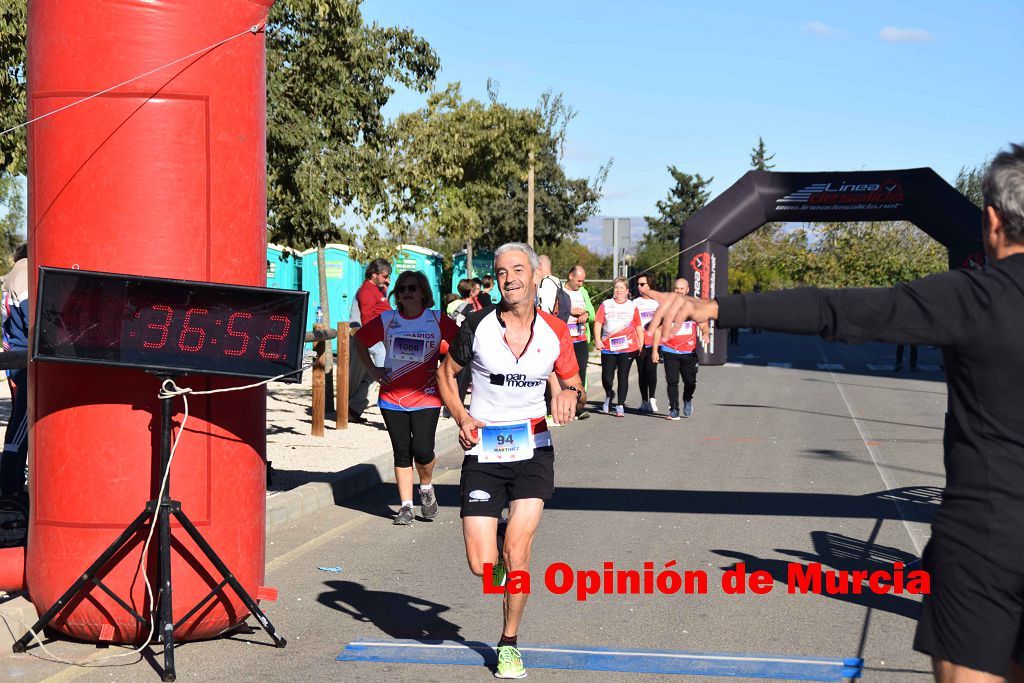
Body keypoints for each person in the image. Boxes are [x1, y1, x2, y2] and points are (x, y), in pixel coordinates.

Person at [673, 143, 1024, 683]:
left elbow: (837, 310)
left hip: (985, 542)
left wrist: (717, 306)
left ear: (992, 221)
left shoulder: (972, 297)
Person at [437, 242, 584, 680]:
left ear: (536, 275)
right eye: (502, 273)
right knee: (484, 568)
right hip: (483, 451)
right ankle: (499, 544)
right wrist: (461, 416)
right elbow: (446, 374)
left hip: (533, 449)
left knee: (517, 551)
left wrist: (567, 395)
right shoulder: (477, 326)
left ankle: (509, 643)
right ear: (495, 279)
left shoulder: (556, 331)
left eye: (518, 270)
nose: (510, 279)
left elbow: (575, 383)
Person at [353, 270, 458, 525]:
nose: (406, 293)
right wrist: (373, 370)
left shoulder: (436, 319)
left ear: (423, 292)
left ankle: (426, 487)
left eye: (412, 288)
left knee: (422, 450)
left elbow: (463, 345)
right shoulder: (388, 319)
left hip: (427, 396)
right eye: (401, 289)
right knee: (401, 453)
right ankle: (406, 506)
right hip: (392, 397)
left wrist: (446, 369)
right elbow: (359, 341)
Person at [651, 278, 704, 420]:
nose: (679, 291)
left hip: (689, 353)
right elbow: (658, 330)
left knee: (690, 382)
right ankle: (674, 410)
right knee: (672, 381)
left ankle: (687, 399)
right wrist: (655, 350)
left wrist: (705, 333)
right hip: (670, 351)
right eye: (676, 288)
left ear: (687, 290)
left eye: (682, 288)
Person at [348, 259, 392, 420]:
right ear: (374, 274)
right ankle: (390, 392)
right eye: (385, 276)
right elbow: (366, 318)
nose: (387, 280)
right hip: (370, 336)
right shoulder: (367, 291)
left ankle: (353, 409)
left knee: (370, 376)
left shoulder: (377, 290)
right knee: (384, 370)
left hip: (376, 335)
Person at [593, 277, 643, 416]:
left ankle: (620, 405)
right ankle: (609, 394)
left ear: (627, 291)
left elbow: (638, 326)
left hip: (627, 347)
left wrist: (641, 343)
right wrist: (597, 340)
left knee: (623, 376)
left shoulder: (632, 306)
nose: (618, 290)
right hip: (608, 347)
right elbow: (598, 322)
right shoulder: (606, 304)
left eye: (621, 288)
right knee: (607, 377)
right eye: (616, 287)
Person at [1, 243, 28, 497]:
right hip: (28, 362)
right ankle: (10, 488)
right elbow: (36, 319)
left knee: (19, 422)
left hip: (15, 360)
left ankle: (11, 484)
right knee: (23, 423)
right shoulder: (25, 273)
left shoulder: (11, 278)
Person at [563, 265, 594, 419]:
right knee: (565, 373)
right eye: (579, 281)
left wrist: (586, 314)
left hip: (581, 338)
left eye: (583, 281)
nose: (581, 284)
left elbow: (592, 313)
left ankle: (579, 406)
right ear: (571, 276)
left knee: (581, 372)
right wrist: (570, 311)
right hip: (565, 340)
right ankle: (564, 405)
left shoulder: (583, 292)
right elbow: (554, 312)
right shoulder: (560, 292)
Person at [634, 272, 667, 414]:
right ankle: (644, 401)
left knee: (651, 370)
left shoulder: (657, 302)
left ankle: (652, 399)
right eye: (638, 284)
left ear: (650, 285)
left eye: (642, 284)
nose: (639, 287)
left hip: (654, 343)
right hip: (639, 343)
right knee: (641, 372)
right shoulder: (635, 303)